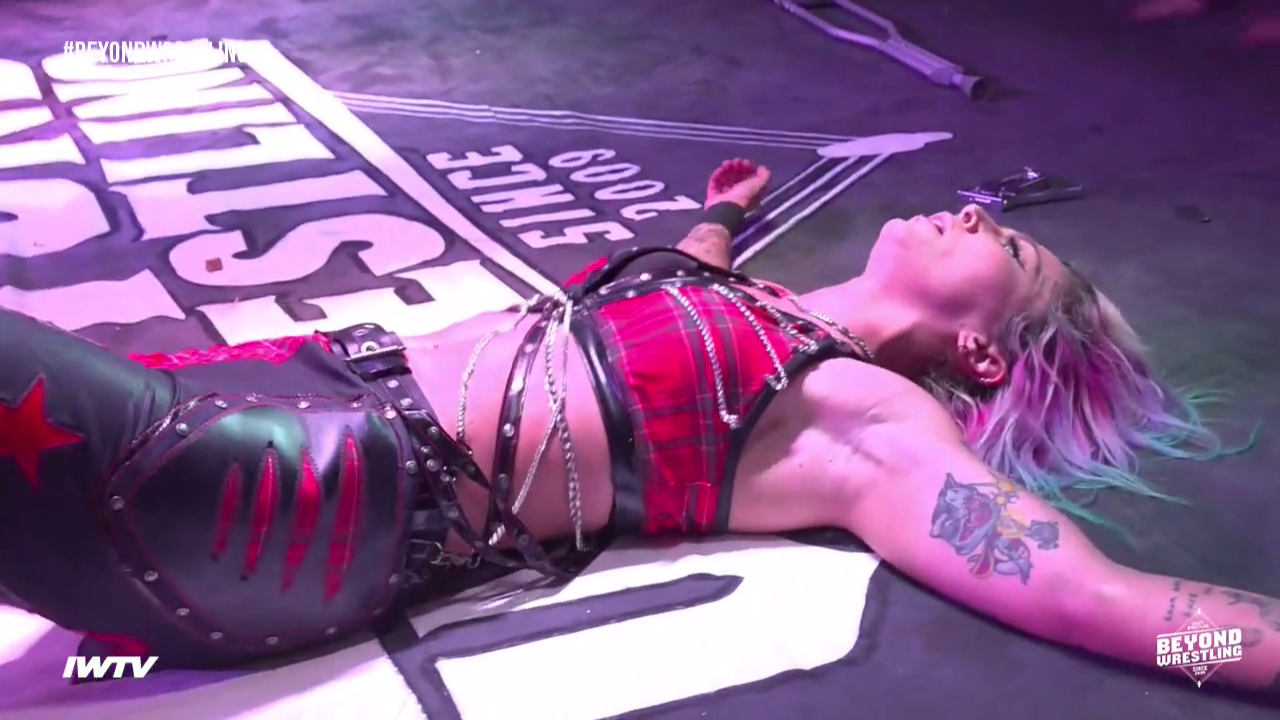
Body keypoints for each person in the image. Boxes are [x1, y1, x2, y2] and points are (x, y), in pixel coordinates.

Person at [0, 158, 1274, 698]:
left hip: (276, 495)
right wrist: (722, 214)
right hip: (274, 398)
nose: (975, 212)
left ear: (982, 351)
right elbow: (679, 292)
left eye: (1008, 248)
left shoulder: (873, 422)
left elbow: (1106, 603)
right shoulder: (767, 308)